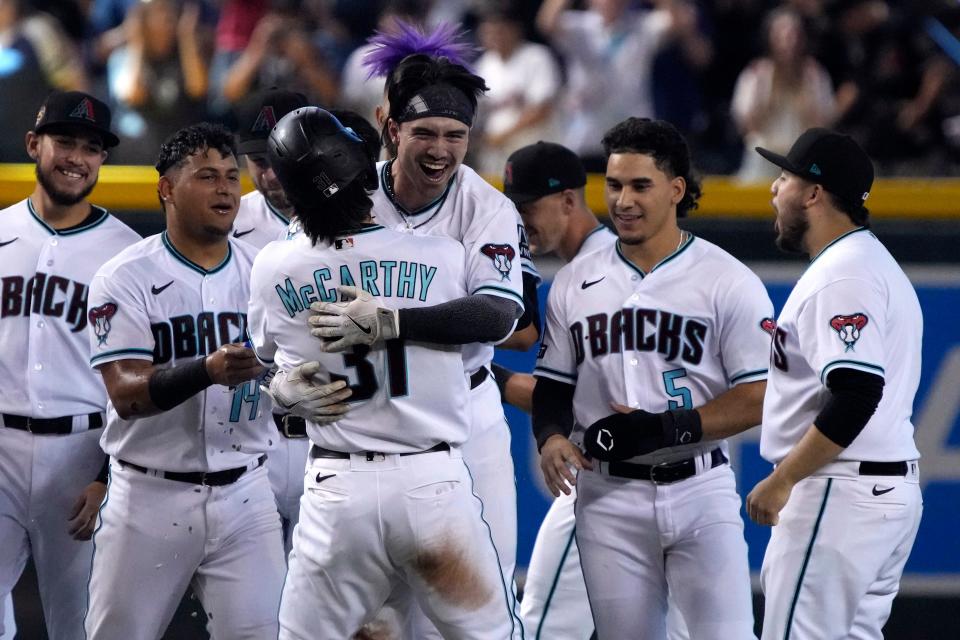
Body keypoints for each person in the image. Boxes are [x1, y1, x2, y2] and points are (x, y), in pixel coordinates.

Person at [246, 105, 519, 640]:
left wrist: (278, 391)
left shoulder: (275, 266)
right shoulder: (442, 257)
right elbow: (496, 318)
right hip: (432, 481)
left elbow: (265, 360)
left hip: (336, 487)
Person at [309, 52, 530, 638]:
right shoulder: (346, 196)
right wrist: (281, 379)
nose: (441, 149)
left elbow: (500, 313)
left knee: (482, 600)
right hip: (368, 412)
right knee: (376, 617)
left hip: (465, 417)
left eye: (455, 135)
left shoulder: (486, 207)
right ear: (390, 128)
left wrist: (393, 322)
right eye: (425, 132)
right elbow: (296, 296)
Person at [532, 117, 771, 639]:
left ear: (676, 189)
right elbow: (553, 385)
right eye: (614, 186)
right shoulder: (574, 281)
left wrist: (670, 428)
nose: (623, 200)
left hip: (699, 486)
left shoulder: (727, 279)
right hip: (607, 496)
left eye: (641, 185)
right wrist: (550, 437)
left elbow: (759, 396)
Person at [84, 123, 287, 640]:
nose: (225, 188)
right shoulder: (122, 276)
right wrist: (206, 370)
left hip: (246, 491)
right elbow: (127, 394)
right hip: (148, 497)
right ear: (166, 189)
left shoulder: (265, 271)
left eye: (228, 176)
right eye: (205, 176)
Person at [747, 128, 924, 639]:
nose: (773, 189)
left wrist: (784, 480)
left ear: (813, 193)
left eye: (783, 177)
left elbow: (856, 393)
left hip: (838, 489)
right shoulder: (868, 263)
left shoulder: (844, 273)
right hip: (880, 490)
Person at [0, 90, 138, 640]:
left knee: (79, 624)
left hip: (82, 457)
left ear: (103, 159)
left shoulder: (127, 252)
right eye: (64, 142)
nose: (76, 158)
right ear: (35, 144)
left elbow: (138, 376)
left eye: (91, 147)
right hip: (1, 447)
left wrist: (108, 475)